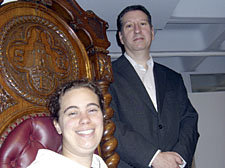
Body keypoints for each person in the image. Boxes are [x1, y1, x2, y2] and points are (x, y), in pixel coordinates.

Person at [109, 5, 199, 168]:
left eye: (143, 24)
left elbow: (189, 119)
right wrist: (153, 157)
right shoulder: (106, 76)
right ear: (121, 37)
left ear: (152, 32)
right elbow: (109, 122)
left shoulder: (174, 78)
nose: (137, 30)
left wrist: (179, 157)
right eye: (129, 25)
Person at [27, 80, 108, 168]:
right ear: (57, 125)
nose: (85, 119)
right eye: (73, 113)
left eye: (92, 110)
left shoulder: (99, 164)